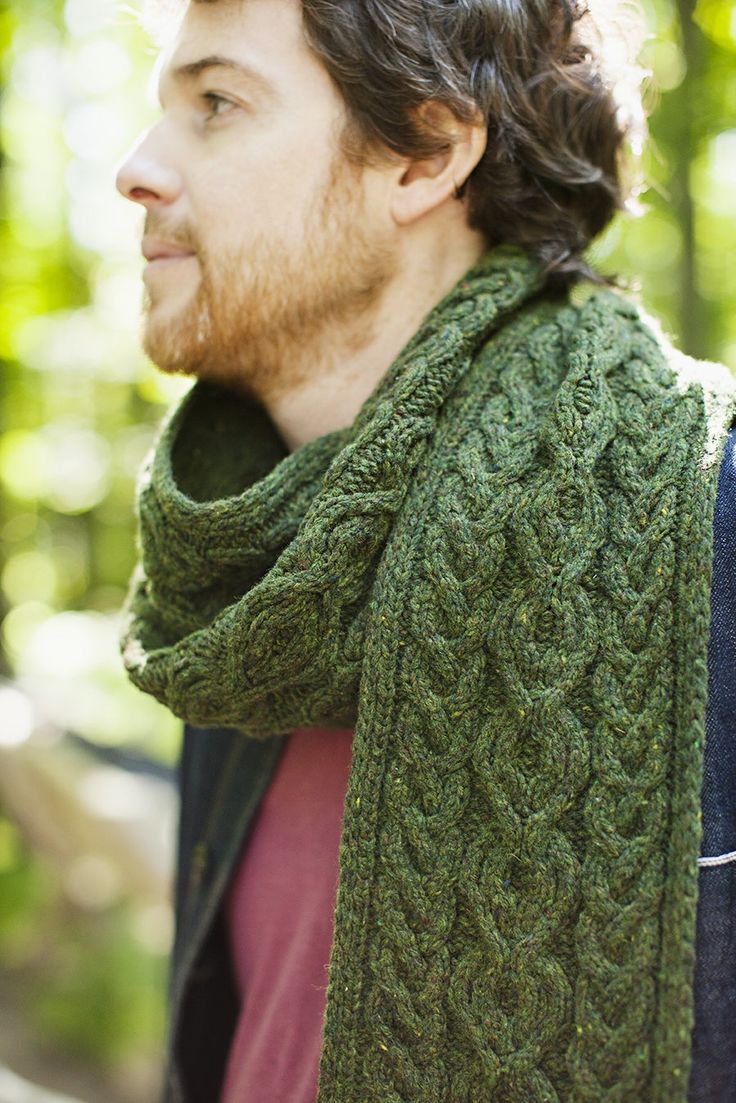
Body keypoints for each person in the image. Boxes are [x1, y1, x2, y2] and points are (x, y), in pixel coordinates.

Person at [114, 1, 736, 1100]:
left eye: (216, 103)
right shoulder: (236, 572)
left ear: (426, 154)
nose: (137, 169)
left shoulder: (712, 516)